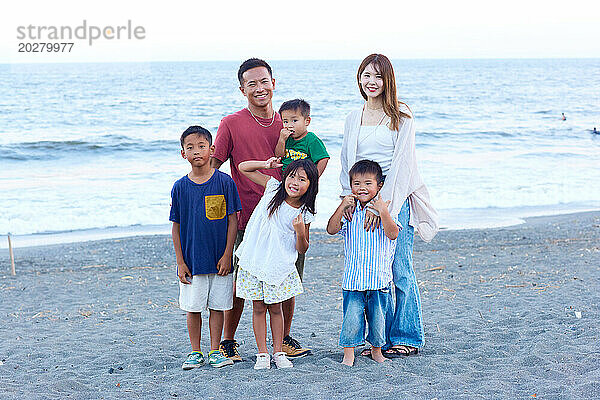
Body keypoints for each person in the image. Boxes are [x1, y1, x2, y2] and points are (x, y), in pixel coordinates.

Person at [212, 58, 311, 361]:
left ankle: (284, 340)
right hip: (247, 216)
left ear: (273, 83)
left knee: (289, 277)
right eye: (251, 84)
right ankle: (229, 341)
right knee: (243, 282)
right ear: (242, 89)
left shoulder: (289, 123)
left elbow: (310, 161)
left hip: (287, 216)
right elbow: (214, 170)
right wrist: (210, 214)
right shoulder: (232, 122)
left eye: (263, 81)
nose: (259, 88)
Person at [339, 54, 438, 358]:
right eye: (367, 75)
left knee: (399, 270)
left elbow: (402, 165)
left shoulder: (402, 115)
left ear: (388, 80)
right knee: (371, 272)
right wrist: (348, 196)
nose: (372, 82)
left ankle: (407, 335)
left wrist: (383, 207)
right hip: (360, 201)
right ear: (359, 78)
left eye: (378, 77)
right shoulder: (352, 117)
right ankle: (379, 341)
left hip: (393, 201)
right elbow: (347, 162)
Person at [235, 157, 319, 369]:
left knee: (276, 308)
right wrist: (266, 165)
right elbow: (242, 167)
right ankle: (262, 353)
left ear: (310, 185)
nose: (295, 182)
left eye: (302, 179)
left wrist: (300, 232)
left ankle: (278, 352)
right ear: (284, 177)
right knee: (258, 308)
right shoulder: (272, 189)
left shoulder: (304, 212)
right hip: (255, 260)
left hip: (278, 265)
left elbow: (302, 249)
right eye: (292, 176)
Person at [169, 126, 242, 369]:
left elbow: (233, 220)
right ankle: (195, 351)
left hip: (219, 259)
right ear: (183, 153)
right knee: (193, 307)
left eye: (202, 146)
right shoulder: (180, 187)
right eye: (190, 147)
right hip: (192, 259)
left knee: (218, 306)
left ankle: (215, 350)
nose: (197, 151)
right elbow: (176, 226)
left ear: (211, 149)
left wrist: (227, 254)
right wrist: (180, 261)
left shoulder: (224, 182)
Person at [327, 160, 400, 366]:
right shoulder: (350, 212)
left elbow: (393, 234)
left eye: (368, 183)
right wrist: (342, 205)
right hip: (353, 280)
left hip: (378, 279)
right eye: (356, 183)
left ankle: (376, 351)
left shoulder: (386, 209)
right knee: (351, 319)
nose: (362, 188)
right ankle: (348, 354)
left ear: (379, 186)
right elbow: (331, 229)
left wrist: (382, 211)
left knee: (378, 320)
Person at [275, 99, 330, 176]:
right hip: (286, 179)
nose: (289, 125)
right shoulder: (286, 138)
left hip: (303, 180)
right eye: (285, 121)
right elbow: (279, 156)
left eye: (294, 120)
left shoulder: (311, 139)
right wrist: (281, 140)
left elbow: (323, 158)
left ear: (307, 121)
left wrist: (315, 176)